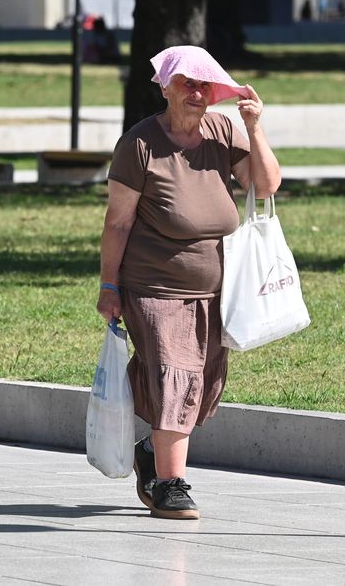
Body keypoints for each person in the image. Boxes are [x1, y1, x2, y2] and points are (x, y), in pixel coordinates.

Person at [96, 44, 281, 520]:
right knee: (174, 376)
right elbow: (118, 222)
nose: (197, 94)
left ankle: (150, 454)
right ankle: (170, 484)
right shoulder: (139, 144)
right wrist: (109, 287)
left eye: (204, 86)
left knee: (202, 384)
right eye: (187, 84)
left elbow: (265, 187)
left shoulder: (223, 131)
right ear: (166, 87)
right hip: (155, 286)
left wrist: (254, 127)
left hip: (219, 289)